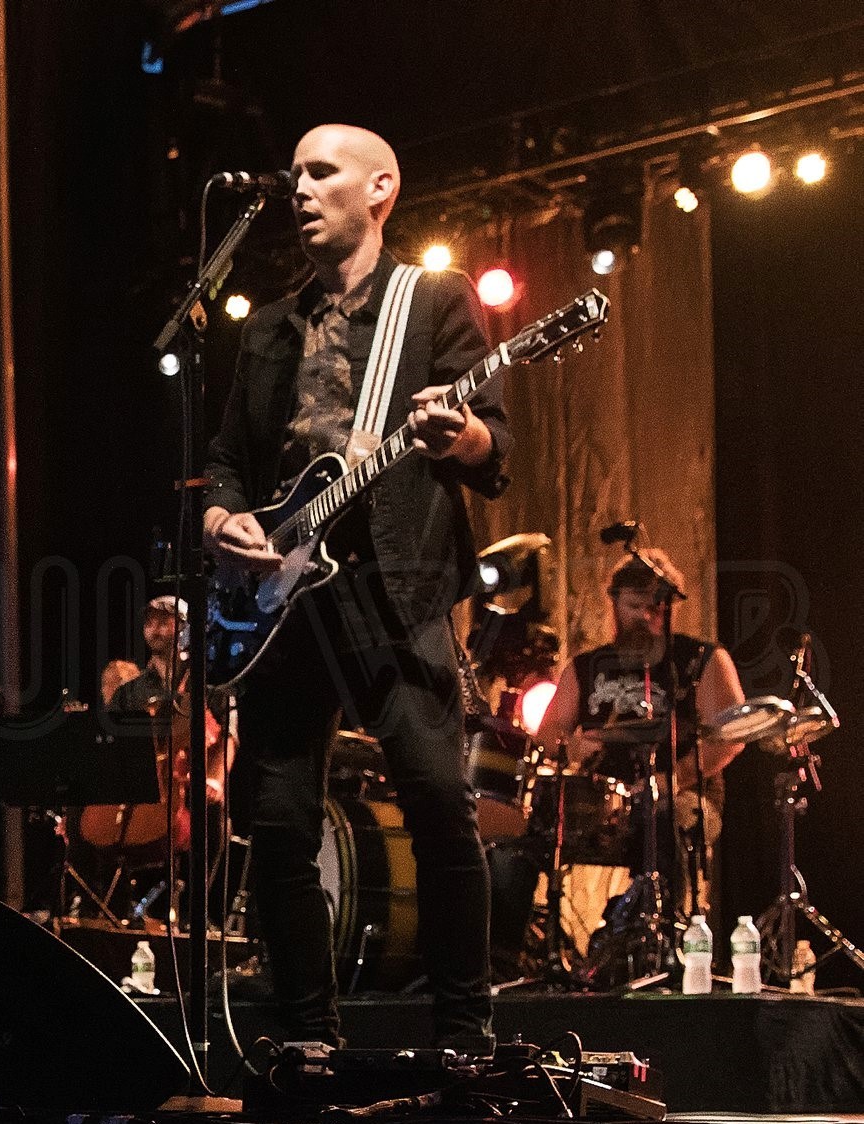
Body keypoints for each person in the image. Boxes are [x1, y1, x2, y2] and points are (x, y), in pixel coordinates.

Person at [203, 124, 510, 1051]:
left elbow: (492, 445)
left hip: (396, 585)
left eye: (320, 172)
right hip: (283, 597)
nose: (299, 187)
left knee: (436, 806)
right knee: (279, 823)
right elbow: (223, 460)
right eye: (294, 173)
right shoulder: (267, 324)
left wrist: (456, 435)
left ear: (381, 188)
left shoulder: (433, 298)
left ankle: (465, 1037)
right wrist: (222, 522)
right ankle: (306, 1036)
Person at [532, 549, 746, 923]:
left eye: (656, 608)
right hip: (601, 802)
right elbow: (548, 733)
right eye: (635, 606)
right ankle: (511, 952)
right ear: (614, 602)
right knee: (526, 830)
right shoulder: (586, 666)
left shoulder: (701, 660)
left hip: (683, 793)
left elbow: (731, 736)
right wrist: (574, 745)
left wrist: (671, 780)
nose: (646, 617)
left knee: (664, 817)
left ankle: (663, 934)